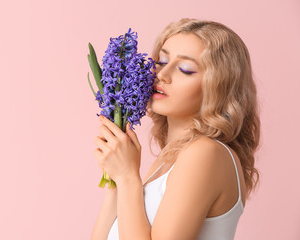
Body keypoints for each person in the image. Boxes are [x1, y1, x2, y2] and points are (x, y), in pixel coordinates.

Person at [91, 18, 261, 240]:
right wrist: (116, 179)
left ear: (218, 87)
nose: (162, 74)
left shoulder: (207, 153)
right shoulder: (167, 160)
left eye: (185, 69)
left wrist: (127, 177)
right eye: (161, 61)